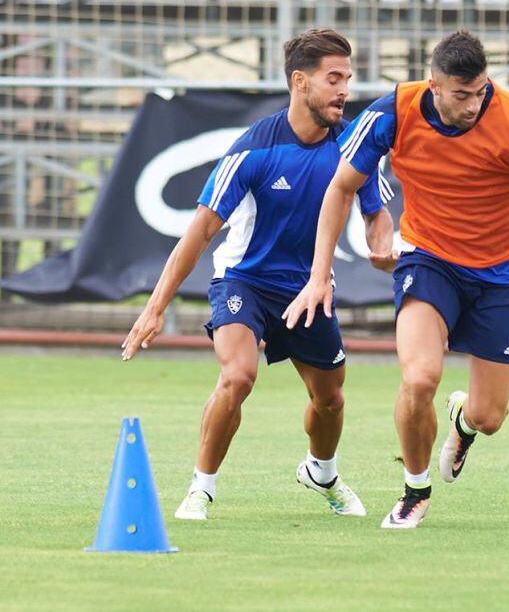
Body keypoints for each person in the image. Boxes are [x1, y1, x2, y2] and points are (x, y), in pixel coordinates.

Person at [283, 30, 509, 529]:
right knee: (419, 377)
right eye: (461, 95)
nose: (474, 105)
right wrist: (319, 276)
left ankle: (463, 421)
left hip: (499, 276)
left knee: (490, 417)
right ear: (434, 85)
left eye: (480, 92)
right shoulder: (394, 111)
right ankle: (414, 489)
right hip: (428, 262)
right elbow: (341, 187)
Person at [121, 28, 394, 521]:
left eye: (347, 79)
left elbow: (376, 212)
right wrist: (154, 308)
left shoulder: (354, 146)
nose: (344, 91)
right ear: (299, 81)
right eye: (333, 79)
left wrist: (380, 246)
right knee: (239, 375)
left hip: (310, 290)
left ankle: (322, 472)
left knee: (330, 399)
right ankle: (201, 489)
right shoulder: (252, 150)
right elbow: (199, 231)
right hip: (243, 282)